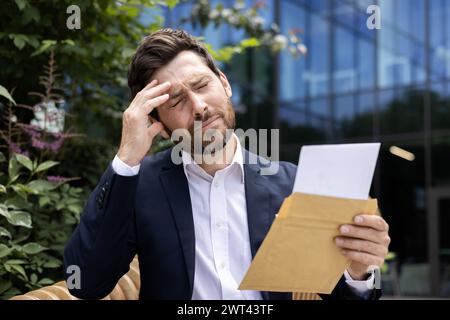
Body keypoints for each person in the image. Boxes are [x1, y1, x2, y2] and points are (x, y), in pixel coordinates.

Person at [64, 28, 390, 300]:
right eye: (176, 101)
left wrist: (359, 271)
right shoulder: (138, 185)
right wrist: (126, 158)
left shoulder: (292, 184)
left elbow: (340, 294)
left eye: (202, 86)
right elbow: (87, 284)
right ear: (157, 120)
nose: (199, 107)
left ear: (225, 83)